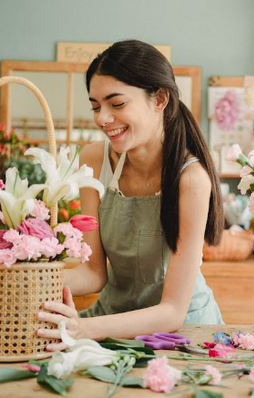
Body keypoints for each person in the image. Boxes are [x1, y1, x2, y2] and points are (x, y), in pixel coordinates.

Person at [37, 40, 225, 350]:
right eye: (96, 106)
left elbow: (172, 312)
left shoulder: (191, 179)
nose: (102, 118)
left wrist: (82, 328)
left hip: (181, 335)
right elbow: (95, 272)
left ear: (160, 99)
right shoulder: (95, 160)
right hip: (110, 322)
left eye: (117, 103)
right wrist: (34, 282)